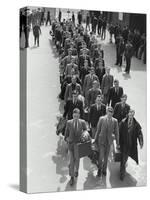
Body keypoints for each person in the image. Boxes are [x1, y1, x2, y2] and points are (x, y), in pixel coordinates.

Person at [94, 106, 119, 177]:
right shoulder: (101, 119)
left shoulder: (115, 121)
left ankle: (104, 170)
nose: (110, 114)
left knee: (106, 157)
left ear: (113, 113)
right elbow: (98, 130)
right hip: (101, 141)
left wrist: (117, 143)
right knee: (101, 156)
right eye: (109, 112)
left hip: (109, 142)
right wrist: (95, 140)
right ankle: (99, 169)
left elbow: (117, 132)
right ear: (107, 112)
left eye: (111, 112)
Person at [64, 108, 87, 186]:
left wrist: (84, 135)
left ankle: (76, 170)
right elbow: (66, 134)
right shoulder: (69, 122)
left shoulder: (82, 122)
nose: (76, 118)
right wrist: (67, 139)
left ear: (79, 115)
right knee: (71, 161)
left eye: (77, 116)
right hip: (71, 145)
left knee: (77, 161)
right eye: (74, 116)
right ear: (72, 115)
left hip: (79, 145)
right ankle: (72, 177)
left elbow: (86, 130)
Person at [119, 109, 144, 180]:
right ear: (128, 114)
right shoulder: (123, 122)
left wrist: (141, 142)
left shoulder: (136, 124)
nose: (131, 115)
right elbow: (118, 131)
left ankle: (123, 167)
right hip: (124, 144)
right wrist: (117, 142)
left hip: (131, 145)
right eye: (130, 114)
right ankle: (122, 174)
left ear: (133, 115)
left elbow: (139, 134)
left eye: (132, 115)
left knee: (126, 158)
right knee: (123, 159)